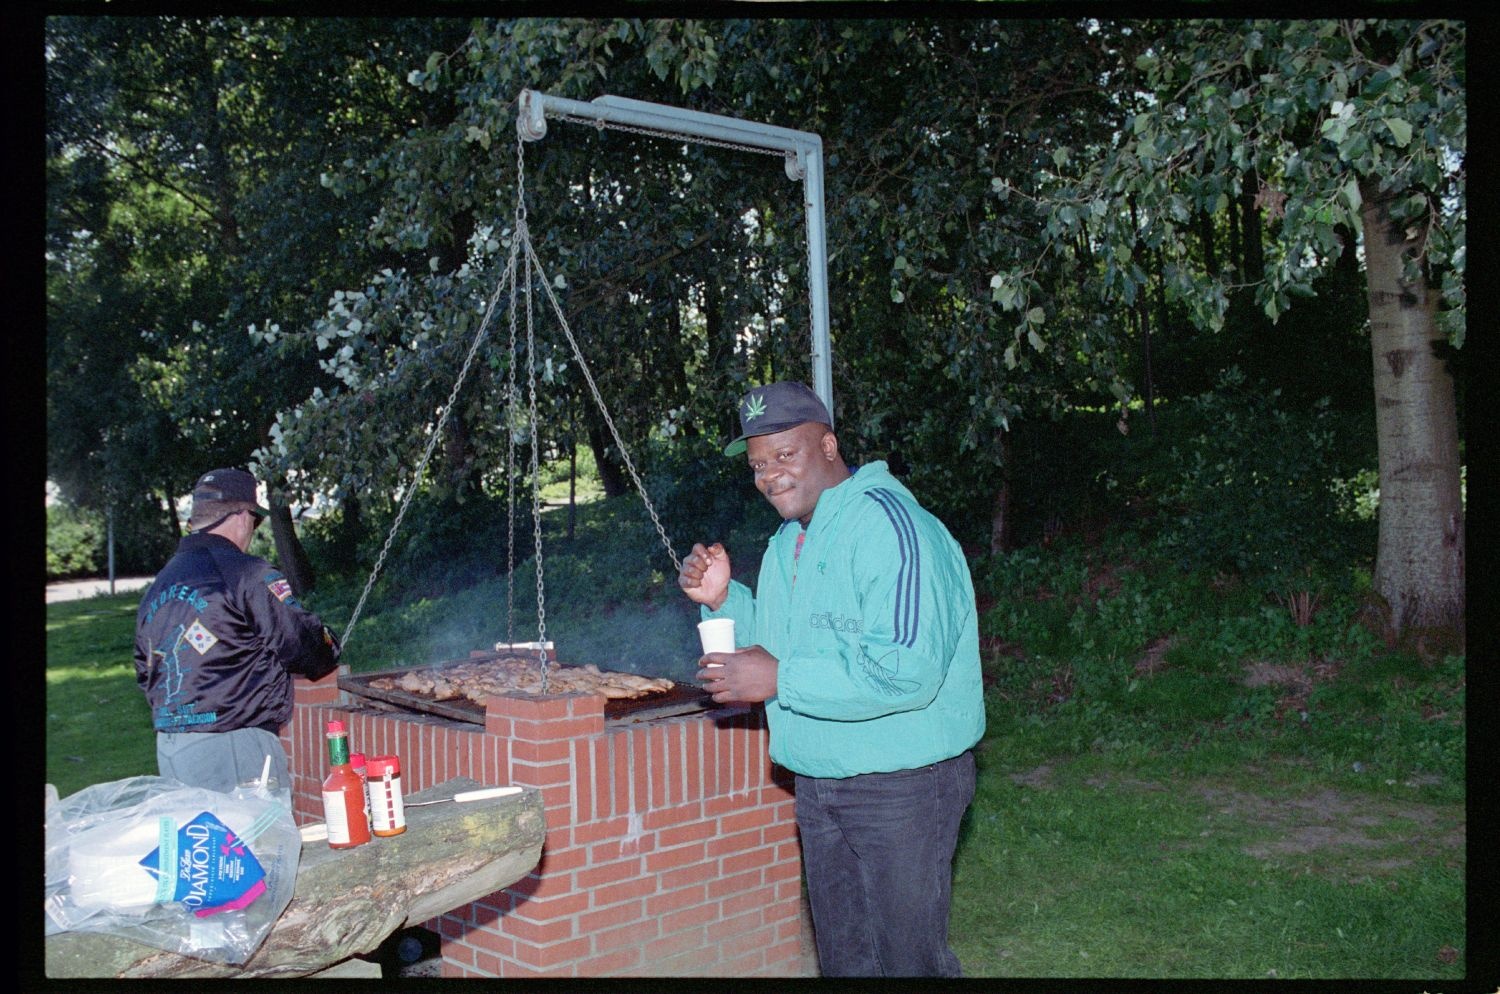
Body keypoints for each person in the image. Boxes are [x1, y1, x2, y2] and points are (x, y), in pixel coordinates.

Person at [677, 381, 985, 977]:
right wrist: (722, 601)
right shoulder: (790, 541)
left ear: (827, 444)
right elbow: (781, 642)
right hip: (821, 783)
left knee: (909, 963)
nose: (770, 475)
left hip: (902, 786)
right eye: (758, 464)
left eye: (784, 455)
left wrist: (781, 680)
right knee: (846, 961)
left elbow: (906, 670)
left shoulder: (894, 528)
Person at [134, 468, 341, 793]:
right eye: (255, 521)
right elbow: (301, 643)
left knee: (200, 842)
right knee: (260, 842)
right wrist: (329, 646)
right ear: (243, 516)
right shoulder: (246, 575)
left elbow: (145, 671)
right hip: (232, 746)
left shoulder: (158, 586)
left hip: (172, 748)